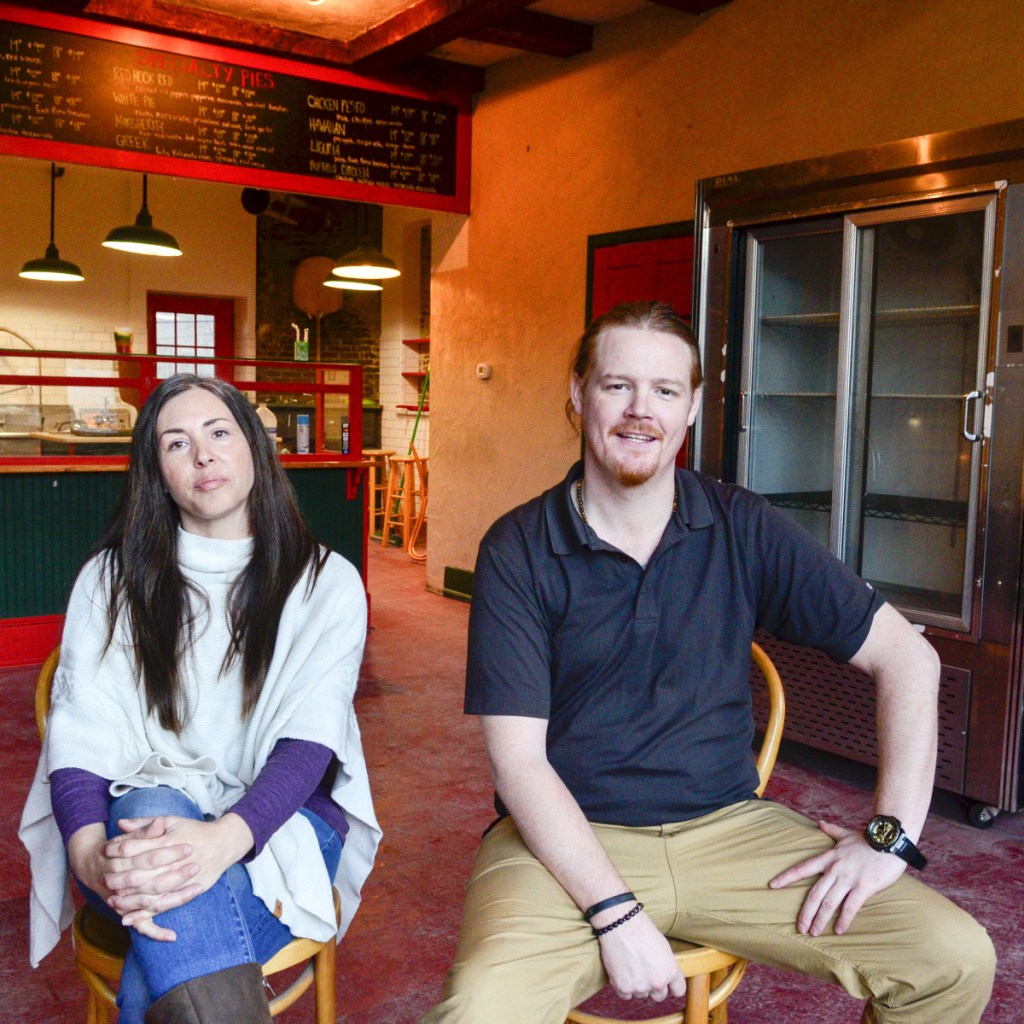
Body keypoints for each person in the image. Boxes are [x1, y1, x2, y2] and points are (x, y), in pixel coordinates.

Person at [421, 301, 995, 1024]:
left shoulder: (740, 524)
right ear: (576, 393)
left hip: (728, 832)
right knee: (477, 1013)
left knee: (954, 959)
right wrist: (615, 913)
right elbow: (520, 766)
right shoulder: (519, 548)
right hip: (565, 840)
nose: (641, 411)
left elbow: (908, 658)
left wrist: (890, 838)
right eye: (616, 385)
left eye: (665, 391)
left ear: (691, 406)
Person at [20, 374, 381, 1023]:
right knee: (153, 806)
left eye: (218, 432)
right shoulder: (111, 579)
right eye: (176, 443)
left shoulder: (326, 582)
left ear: (253, 448)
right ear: (156, 472)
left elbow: (309, 741)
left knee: (159, 960)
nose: (203, 455)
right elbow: (81, 730)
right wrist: (88, 856)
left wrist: (219, 843)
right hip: (124, 848)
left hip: (281, 831)